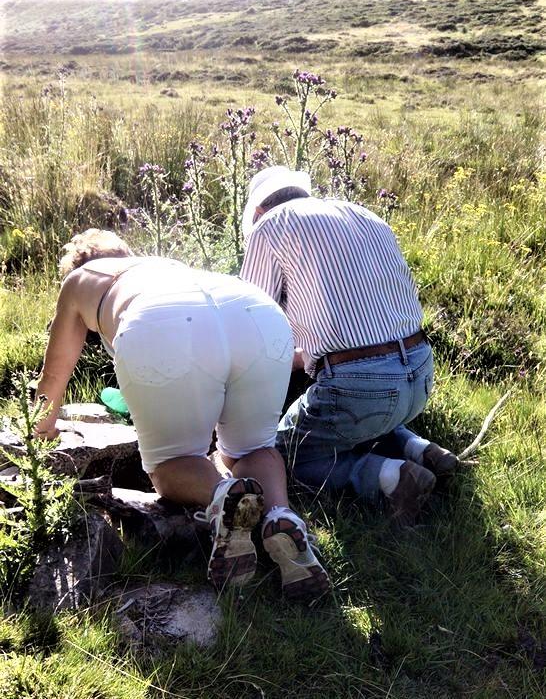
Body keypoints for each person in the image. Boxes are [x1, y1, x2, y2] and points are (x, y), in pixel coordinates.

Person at [35, 228, 329, 602]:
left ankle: (224, 497)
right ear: (125, 252)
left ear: (78, 264)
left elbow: (55, 375)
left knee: (171, 463)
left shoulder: (81, 279)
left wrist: (40, 431)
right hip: (256, 311)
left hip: (163, 320)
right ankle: (280, 517)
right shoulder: (161, 264)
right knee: (253, 448)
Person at [240, 166, 459, 526]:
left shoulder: (270, 226)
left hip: (360, 387)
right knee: (358, 415)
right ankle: (419, 448)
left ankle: (390, 476)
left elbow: (251, 321)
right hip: (420, 372)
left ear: (258, 212)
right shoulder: (365, 215)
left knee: (283, 456)